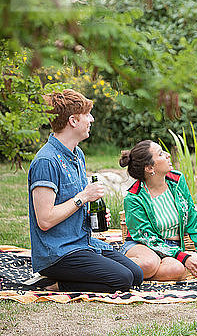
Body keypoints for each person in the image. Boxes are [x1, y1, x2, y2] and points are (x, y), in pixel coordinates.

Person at [28, 89, 143, 293]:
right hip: (58, 252)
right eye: (87, 114)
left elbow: (72, 206)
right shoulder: (46, 161)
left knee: (136, 274)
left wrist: (91, 214)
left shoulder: (77, 154)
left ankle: (66, 278)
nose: (92, 119)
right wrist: (83, 197)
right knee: (122, 279)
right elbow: (45, 220)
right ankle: (53, 283)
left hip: (82, 242)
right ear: (73, 120)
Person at [119, 140, 197, 281]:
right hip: (142, 245)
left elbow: (193, 220)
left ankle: (142, 274)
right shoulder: (134, 198)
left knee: (176, 269)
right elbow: (146, 237)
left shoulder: (176, 181)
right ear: (150, 168)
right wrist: (184, 257)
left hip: (172, 248)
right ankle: (116, 269)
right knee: (149, 264)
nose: (168, 155)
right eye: (161, 154)